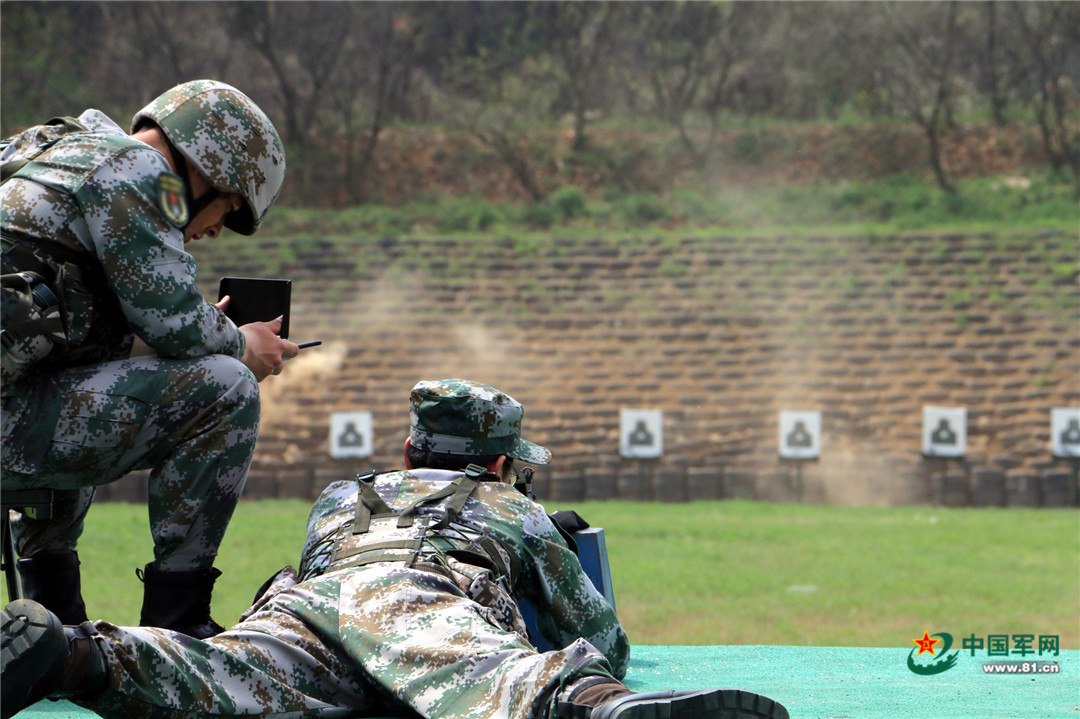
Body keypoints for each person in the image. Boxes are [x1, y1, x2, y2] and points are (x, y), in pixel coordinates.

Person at [0, 379, 790, 719]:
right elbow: (606, 634)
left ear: (411, 455)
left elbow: (333, 577)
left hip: (308, 610)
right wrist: (548, 544)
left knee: (219, 676)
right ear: (503, 463)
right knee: (501, 673)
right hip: (420, 599)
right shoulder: (506, 504)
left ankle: (71, 654)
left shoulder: (342, 495)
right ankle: (604, 713)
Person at [1, 80, 296, 637]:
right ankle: (176, 627)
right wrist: (243, 345)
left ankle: (53, 627)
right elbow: (176, 322)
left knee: (82, 377)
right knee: (227, 387)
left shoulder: (56, 151)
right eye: (227, 207)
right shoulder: (137, 169)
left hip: (12, 400)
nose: (212, 231)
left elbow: (87, 327)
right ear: (204, 167)